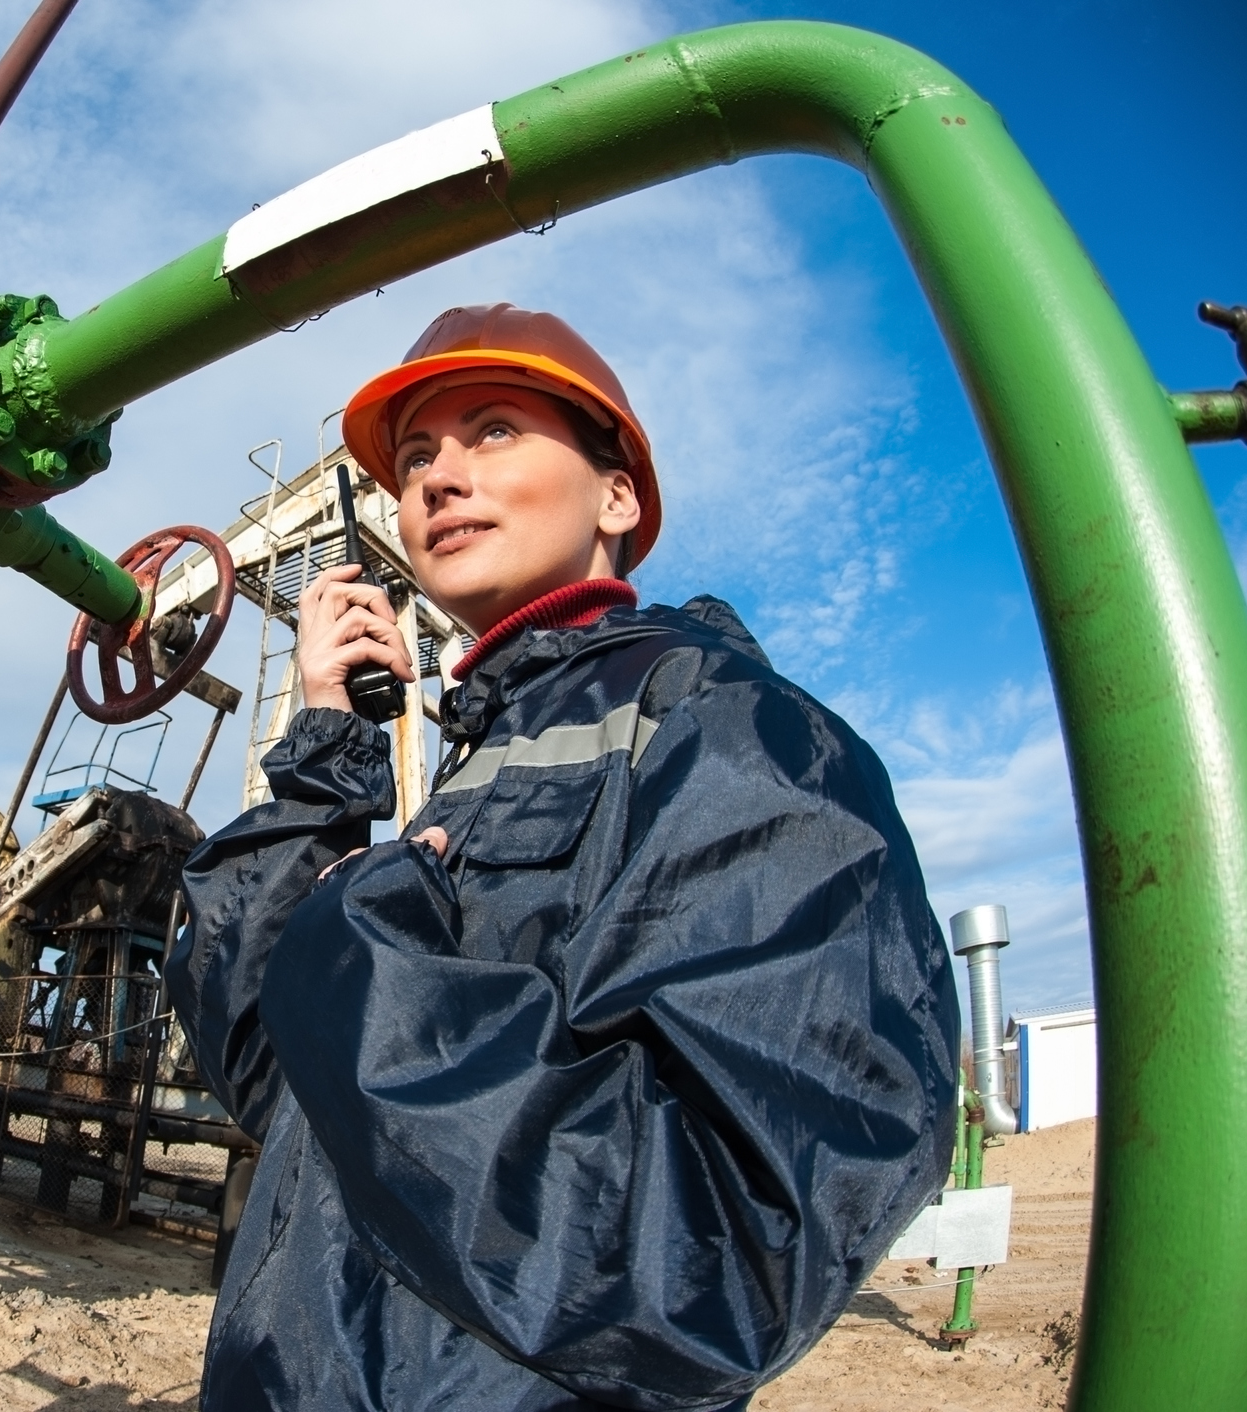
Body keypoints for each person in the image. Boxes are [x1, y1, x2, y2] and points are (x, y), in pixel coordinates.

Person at [167, 304, 960, 1411]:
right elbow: (273, 1074)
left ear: (618, 495)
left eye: (492, 429)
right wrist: (323, 753)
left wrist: (365, 957)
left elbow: (730, 1253)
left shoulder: (727, 730)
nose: (437, 478)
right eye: (416, 456)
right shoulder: (474, 762)